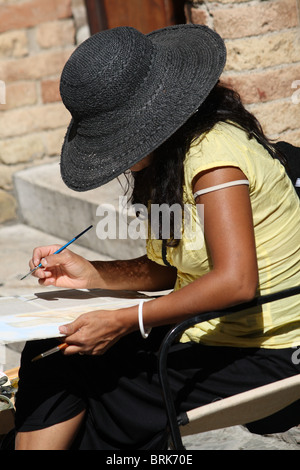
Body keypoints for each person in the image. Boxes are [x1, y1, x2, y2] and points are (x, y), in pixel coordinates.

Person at [14, 24, 300, 450]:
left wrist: (124, 321)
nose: (119, 157)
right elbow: (167, 271)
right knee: (48, 356)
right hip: (202, 334)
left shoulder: (214, 159)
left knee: (102, 392)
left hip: (264, 352)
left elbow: (237, 282)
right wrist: (92, 273)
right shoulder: (166, 168)